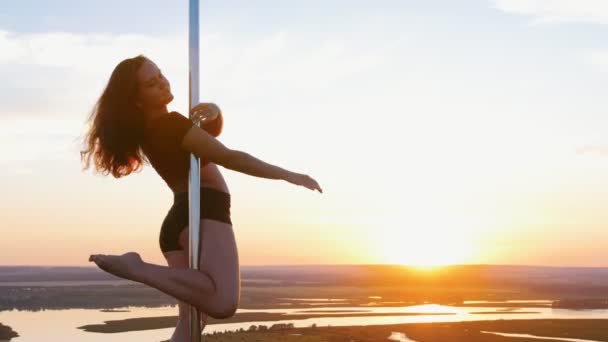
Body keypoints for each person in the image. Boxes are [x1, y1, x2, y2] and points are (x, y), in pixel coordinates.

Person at [79, 54, 322, 341]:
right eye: (151, 83)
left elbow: (203, 139)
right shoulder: (170, 124)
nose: (162, 83)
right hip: (206, 208)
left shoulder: (150, 130)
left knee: (192, 320)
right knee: (222, 302)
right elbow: (230, 157)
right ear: (137, 99)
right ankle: (137, 268)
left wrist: (215, 113)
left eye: (161, 75)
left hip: (177, 222)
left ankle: (138, 269)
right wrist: (288, 175)